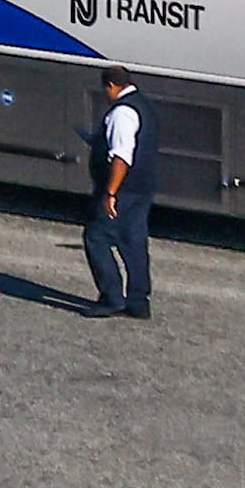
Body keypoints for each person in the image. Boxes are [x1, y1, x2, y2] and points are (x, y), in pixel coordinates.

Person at [81, 70, 151, 320]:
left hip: (122, 190)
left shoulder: (122, 112)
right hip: (142, 188)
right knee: (134, 242)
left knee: (96, 237)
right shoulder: (144, 106)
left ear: (111, 86)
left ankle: (111, 297)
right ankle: (138, 301)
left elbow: (121, 155)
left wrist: (110, 192)